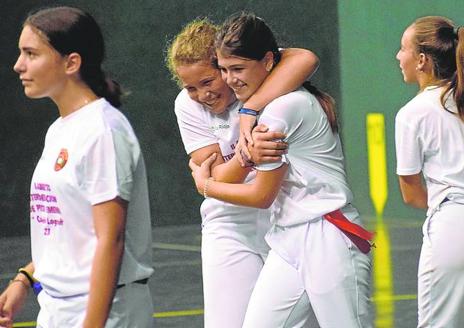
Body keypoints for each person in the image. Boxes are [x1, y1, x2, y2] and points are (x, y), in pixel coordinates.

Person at [189, 12, 373, 328]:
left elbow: (261, 195)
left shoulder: (281, 110)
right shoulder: (271, 106)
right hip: (288, 240)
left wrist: (205, 185)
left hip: (328, 237)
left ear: (269, 61)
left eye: (238, 69)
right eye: (224, 69)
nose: (230, 79)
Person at [0, 6, 154, 328]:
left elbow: (110, 240)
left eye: (31, 53)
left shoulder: (103, 131)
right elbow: (68, 229)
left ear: (71, 62)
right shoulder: (61, 129)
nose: (18, 65)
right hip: (57, 307)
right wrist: (25, 279)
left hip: (105, 312)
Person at [166, 18, 319, 327]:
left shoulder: (261, 80)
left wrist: (251, 108)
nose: (202, 95)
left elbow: (306, 58)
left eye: (208, 81)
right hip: (229, 223)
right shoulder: (186, 105)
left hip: (285, 217)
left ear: (224, 67)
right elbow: (219, 175)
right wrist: (248, 156)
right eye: (191, 87)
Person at [395, 16, 464, 328]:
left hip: (453, 229)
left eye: (402, 49)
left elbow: (411, 194)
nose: (398, 57)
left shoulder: (413, 114)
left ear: (421, 60)